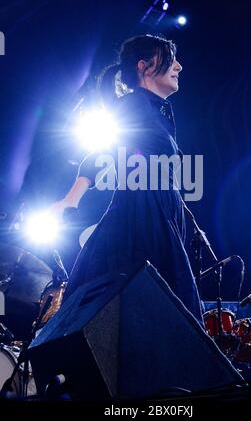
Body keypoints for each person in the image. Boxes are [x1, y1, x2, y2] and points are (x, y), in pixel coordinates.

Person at [51, 34, 204, 323]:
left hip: (161, 213)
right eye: (171, 60)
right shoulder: (135, 106)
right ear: (144, 67)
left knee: (160, 309)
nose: (180, 66)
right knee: (157, 310)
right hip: (143, 215)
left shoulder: (156, 112)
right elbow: (101, 154)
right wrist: (71, 198)